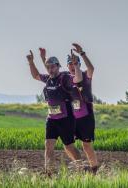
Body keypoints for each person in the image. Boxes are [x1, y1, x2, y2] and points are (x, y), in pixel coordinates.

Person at [40, 44, 99, 174]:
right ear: (66, 66)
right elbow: (50, 71)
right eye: (70, 64)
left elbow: (91, 68)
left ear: (78, 64)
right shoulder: (65, 76)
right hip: (72, 117)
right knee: (68, 146)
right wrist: (43, 58)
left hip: (85, 117)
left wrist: (82, 54)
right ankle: (82, 169)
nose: (72, 66)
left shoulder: (84, 76)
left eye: (74, 63)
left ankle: (94, 170)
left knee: (86, 146)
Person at [26, 49, 82, 174]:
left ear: (58, 66)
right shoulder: (48, 79)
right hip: (51, 119)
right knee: (48, 145)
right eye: (48, 67)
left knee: (69, 147)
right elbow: (35, 75)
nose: (50, 69)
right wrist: (31, 62)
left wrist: (76, 65)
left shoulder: (65, 78)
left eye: (52, 67)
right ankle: (49, 173)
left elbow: (77, 79)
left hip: (66, 119)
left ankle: (81, 168)